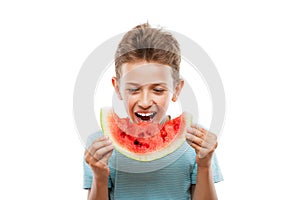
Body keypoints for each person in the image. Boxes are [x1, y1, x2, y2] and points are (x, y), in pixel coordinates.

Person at [83, 23, 223, 200]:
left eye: (158, 90)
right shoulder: (100, 145)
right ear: (117, 89)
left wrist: (204, 165)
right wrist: (99, 177)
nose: (145, 102)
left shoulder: (197, 141)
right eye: (134, 89)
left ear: (177, 89)